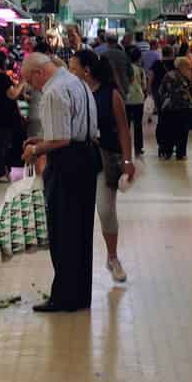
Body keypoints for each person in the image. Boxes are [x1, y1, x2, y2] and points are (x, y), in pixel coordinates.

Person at [21, 51, 101, 312]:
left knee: (63, 229)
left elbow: (61, 140)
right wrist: (41, 141)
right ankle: (79, 294)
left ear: (38, 73)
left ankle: (64, 296)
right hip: (87, 157)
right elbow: (69, 130)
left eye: (30, 81)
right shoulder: (77, 82)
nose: (32, 88)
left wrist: (35, 151)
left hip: (68, 163)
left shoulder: (53, 92)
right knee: (81, 229)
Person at [72, 48, 138, 283]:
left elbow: (123, 129)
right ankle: (77, 261)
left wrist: (128, 161)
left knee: (105, 210)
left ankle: (112, 257)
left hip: (105, 159)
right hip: (78, 159)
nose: (71, 72)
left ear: (86, 71)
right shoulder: (73, 92)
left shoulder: (111, 94)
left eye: (74, 67)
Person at [0, 46, 25, 183]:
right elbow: (12, 94)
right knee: (4, 144)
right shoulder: (2, 78)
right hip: (6, 116)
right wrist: (22, 82)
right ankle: (1, 172)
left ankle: (0, 171)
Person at [154, 55, 192, 161]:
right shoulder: (188, 77)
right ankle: (180, 153)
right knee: (183, 131)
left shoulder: (169, 75)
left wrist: (163, 101)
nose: (189, 68)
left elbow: (161, 91)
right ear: (182, 66)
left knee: (170, 130)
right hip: (184, 107)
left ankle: (167, 152)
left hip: (170, 108)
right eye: (187, 66)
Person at [121, 45, 147, 156]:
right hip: (138, 99)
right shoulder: (140, 70)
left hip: (126, 99)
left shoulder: (124, 69)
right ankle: (138, 148)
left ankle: (125, 147)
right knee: (138, 125)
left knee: (125, 125)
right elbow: (144, 85)